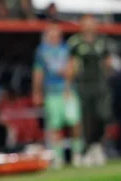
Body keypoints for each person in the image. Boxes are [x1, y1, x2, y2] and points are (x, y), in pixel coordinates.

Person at [33, 24, 83, 167]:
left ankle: (77, 153)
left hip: (67, 91)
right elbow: (38, 72)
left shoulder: (66, 49)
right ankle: (58, 156)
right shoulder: (42, 51)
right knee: (55, 125)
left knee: (74, 121)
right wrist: (37, 92)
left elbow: (71, 69)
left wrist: (67, 84)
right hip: (52, 92)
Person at [67, 16, 113, 166]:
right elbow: (72, 65)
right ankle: (87, 149)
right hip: (84, 85)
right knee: (86, 118)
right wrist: (68, 85)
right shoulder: (76, 43)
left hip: (100, 85)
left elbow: (107, 63)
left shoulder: (102, 42)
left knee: (102, 115)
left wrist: (108, 78)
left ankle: (97, 145)